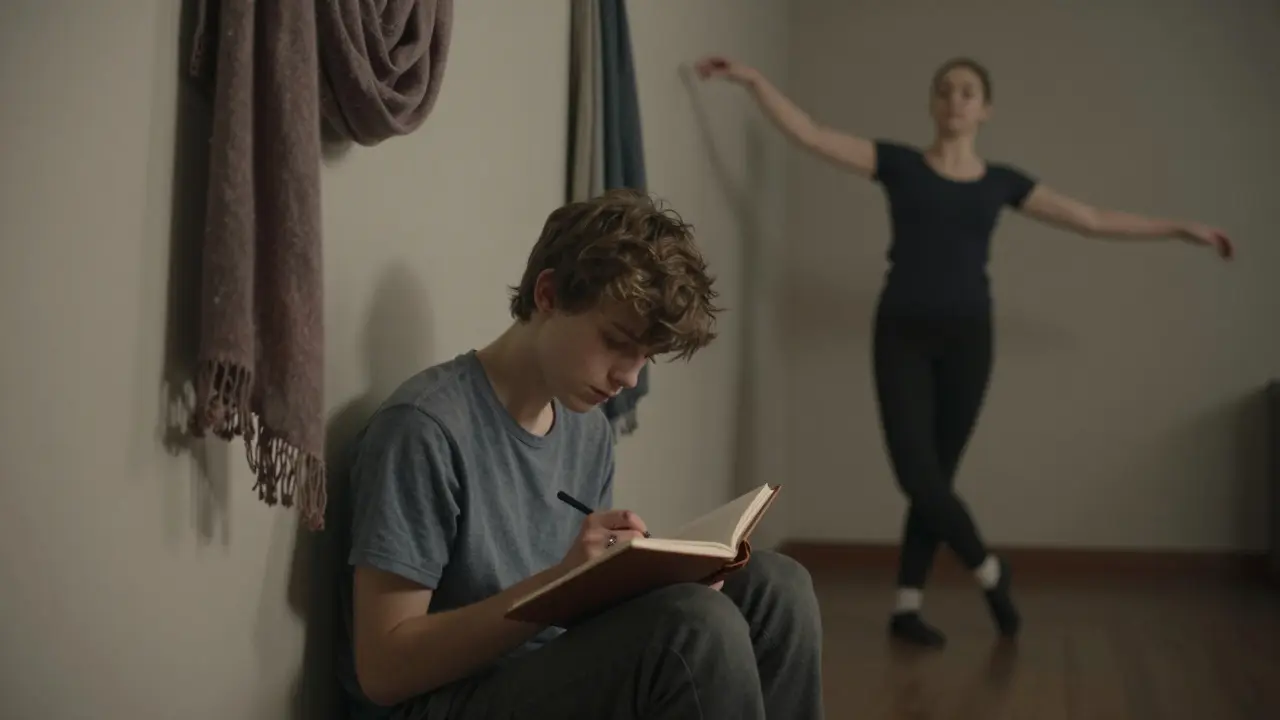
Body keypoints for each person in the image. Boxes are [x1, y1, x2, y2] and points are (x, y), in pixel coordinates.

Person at [694, 54, 1233, 649]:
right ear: (933, 103)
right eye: (945, 90)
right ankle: (990, 569)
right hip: (900, 332)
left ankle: (907, 606)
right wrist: (754, 81)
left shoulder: (1000, 182)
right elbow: (813, 135)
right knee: (918, 474)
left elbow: (1090, 218)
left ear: (985, 109)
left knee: (937, 479)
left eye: (968, 92)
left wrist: (1180, 228)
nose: (955, 100)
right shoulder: (899, 165)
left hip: (970, 339)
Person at [335, 188, 825, 719]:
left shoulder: (588, 430)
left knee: (777, 588)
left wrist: (639, 578)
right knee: (695, 629)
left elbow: (573, 613)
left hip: (544, 674)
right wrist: (560, 585)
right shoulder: (424, 429)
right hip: (444, 702)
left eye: (645, 357)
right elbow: (383, 671)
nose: (629, 377)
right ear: (548, 294)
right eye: (617, 341)